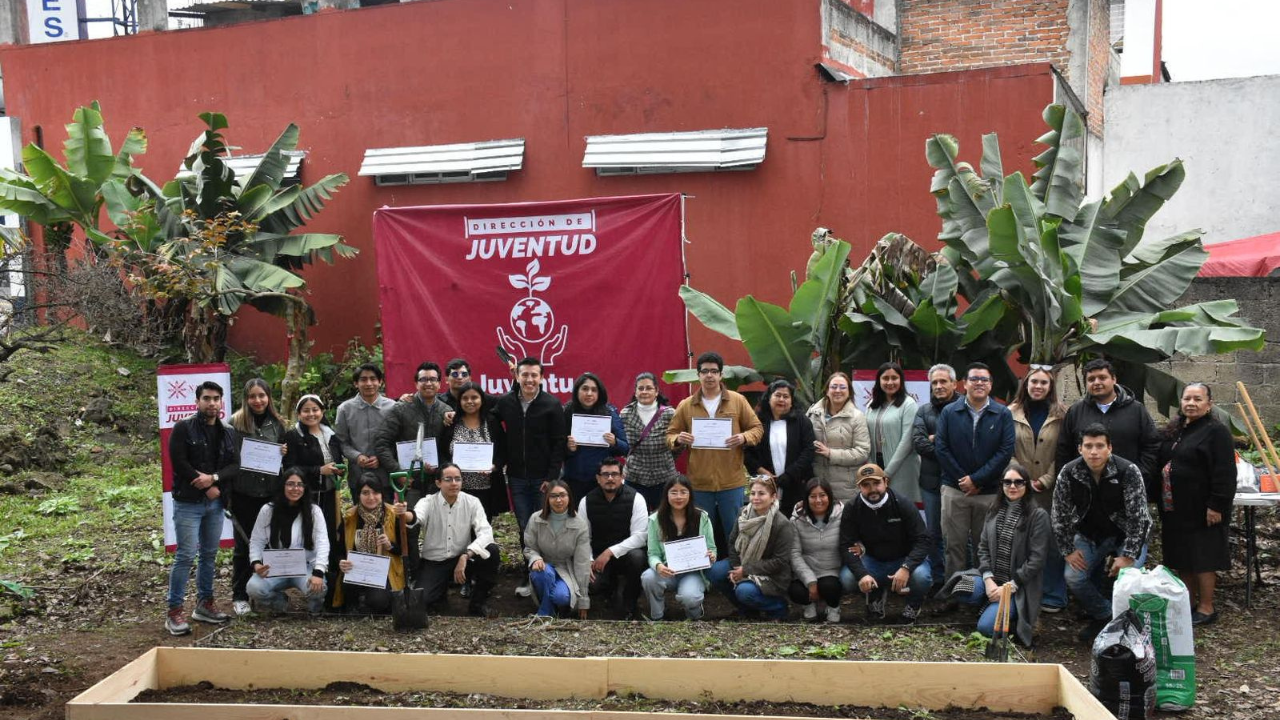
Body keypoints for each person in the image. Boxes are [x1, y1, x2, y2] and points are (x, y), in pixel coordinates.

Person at [1053, 423, 1152, 642]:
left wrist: (1128, 555)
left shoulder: (1128, 470)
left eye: (1099, 446)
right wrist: (1068, 550)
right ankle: (1105, 615)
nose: (1094, 452)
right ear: (1080, 449)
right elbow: (1059, 514)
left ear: (1110, 448)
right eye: (1088, 446)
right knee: (1074, 577)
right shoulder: (1069, 472)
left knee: (1129, 577)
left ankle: (1129, 626)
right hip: (1089, 535)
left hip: (1126, 535)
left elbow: (1139, 518)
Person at [1156, 383, 1235, 626]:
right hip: (1175, 508)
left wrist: (1217, 505)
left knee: (1203, 558)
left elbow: (1225, 472)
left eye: (1197, 399)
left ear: (1209, 404)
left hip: (1203, 509)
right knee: (1181, 557)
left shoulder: (1216, 432)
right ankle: (1188, 603)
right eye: (1187, 398)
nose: (1191, 403)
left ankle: (1206, 607)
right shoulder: (1176, 429)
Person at [667, 351, 764, 545]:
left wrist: (743, 437)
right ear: (698, 375)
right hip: (699, 482)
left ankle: (735, 564)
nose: (709, 375)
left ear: (721, 375)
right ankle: (705, 565)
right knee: (701, 533)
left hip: (731, 481)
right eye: (704, 371)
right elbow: (670, 434)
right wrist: (678, 439)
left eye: (714, 371)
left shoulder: (737, 401)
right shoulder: (686, 405)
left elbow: (757, 428)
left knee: (735, 532)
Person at [949, 463, 1051, 647]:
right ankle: (990, 602)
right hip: (992, 579)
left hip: (1018, 586)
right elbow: (982, 548)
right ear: (1001, 485)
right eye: (1007, 482)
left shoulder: (1038, 515)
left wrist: (1008, 588)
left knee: (986, 628)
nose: (1012, 486)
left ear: (1026, 485)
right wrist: (988, 580)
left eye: (1018, 482)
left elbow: (1037, 560)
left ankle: (1017, 616)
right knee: (961, 590)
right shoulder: (994, 509)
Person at [166, 380, 238, 635]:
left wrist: (214, 479)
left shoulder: (228, 431)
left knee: (209, 554)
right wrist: (205, 485)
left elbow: (234, 465)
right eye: (206, 398)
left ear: (221, 402)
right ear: (197, 401)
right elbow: (179, 462)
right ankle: (174, 611)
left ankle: (204, 604)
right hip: (188, 502)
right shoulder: (183, 428)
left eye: (216, 399)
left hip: (215, 504)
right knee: (186, 555)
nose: (212, 403)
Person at [935, 362, 1015, 580]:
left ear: (990, 385)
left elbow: (1005, 451)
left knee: (986, 547)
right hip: (955, 490)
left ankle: (982, 591)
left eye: (984, 379)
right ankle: (954, 591)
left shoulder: (1002, 414)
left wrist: (977, 480)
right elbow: (941, 448)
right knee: (954, 546)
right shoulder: (949, 412)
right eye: (974, 379)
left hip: (988, 492)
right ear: (964, 384)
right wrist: (964, 480)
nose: (979, 383)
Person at [496, 357, 567, 598]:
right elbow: (488, 418)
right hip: (516, 477)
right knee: (525, 527)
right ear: (517, 376)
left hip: (542, 479)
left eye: (534, 375)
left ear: (542, 378)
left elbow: (559, 443)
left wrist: (552, 477)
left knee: (545, 525)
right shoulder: (506, 402)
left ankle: (549, 573)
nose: (529, 379)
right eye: (524, 375)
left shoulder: (552, 404)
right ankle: (529, 573)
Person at [401, 464, 501, 617]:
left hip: (463, 559)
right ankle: (439, 596)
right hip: (435, 561)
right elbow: (415, 517)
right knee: (422, 600)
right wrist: (404, 514)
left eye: (457, 479)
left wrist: (466, 555)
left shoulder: (472, 502)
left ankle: (477, 603)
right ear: (438, 483)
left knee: (491, 551)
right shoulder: (428, 502)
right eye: (448, 479)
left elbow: (486, 533)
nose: (454, 483)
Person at [1007, 365, 1067, 614]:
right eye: (1034, 382)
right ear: (1026, 384)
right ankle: (1021, 591)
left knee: (1051, 542)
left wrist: (1046, 479)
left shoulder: (1062, 414)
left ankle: (1053, 593)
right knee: (1019, 542)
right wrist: (1020, 479)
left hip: (1049, 490)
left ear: (1050, 387)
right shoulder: (1010, 413)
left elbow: (1064, 450)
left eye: (1044, 383)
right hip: (1017, 488)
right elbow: (1006, 448)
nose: (1038, 386)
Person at [840, 464, 932, 624]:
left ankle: (913, 605)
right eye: (866, 485)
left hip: (904, 559)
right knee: (847, 578)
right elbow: (845, 545)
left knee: (922, 577)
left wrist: (907, 567)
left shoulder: (902, 503)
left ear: (886, 482)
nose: (872, 489)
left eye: (876, 483)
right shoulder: (852, 508)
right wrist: (862, 574)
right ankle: (874, 595)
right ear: (859, 487)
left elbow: (923, 539)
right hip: (872, 560)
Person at [227, 378, 287, 617]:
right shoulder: (234, 423)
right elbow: (226, 458)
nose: (257, 400)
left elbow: (285, 460)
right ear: (246, 398)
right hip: (243, 493)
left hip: (270, 494)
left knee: (270, 543)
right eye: (252, 396)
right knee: (243, 546)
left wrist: (284, 452)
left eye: (261, 395)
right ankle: (240, 596)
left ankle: (266, 592)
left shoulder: (278, 424)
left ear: (268, 397)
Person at [1055, 358, 1160, 491]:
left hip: (1127, 488)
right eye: (1091, 379)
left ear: (1114, 379)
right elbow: (1064, 449)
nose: (1096, 382)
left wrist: (1140, 475)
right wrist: (1070, 482)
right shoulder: (1075, 412)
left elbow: (1151, 445)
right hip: (1085, 489)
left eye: (1102, 378)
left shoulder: (1136, 410)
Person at [283, 394, 344, 608]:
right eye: (306, 410)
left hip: (330, 495)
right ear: (299, 414)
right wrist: (319, 470)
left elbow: (337, 461)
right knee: (309, 538)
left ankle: (333, 593)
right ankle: (310, 585)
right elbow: (290, 468)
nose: (311, 414)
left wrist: (338, 471)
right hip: (305, 497)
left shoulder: (330, 434)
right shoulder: (293, 436)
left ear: (322, 412)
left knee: (332, 538)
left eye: (315, 409)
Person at [708, 476, 796, 620]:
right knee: (715, 571)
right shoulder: (743, 513)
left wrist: (745, 571)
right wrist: (737, 568)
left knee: (744, 591)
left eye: (761, 494)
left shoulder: (782, 524)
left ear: (773, 497)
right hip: (743, 563)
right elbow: (732, 542)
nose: (756, 498)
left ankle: (778, 607)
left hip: (771, 574)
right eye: (753, 493)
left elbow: (780, 561)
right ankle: (747, 609)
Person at [247, 467, 330, 615]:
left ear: (305, 488)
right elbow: (256, 540)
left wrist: (318, 572)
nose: (295, 489)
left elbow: (323, 542)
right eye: (290, 484)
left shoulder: (314, 511)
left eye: (299, 485)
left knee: (319, 588)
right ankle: (279, 601)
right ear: (282, 486)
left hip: (305, 567)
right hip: (275, 567)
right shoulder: (268, 510)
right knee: (254, 588)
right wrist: (256, 562)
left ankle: (315, 605)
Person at [577, 458, 648, 619]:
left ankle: (630, 603)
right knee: (593, 584)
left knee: (637, 557)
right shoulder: (586, 501)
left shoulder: (636, 498)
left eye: (615, 474)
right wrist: (588, 560)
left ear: (622, 476)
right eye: (605, 474)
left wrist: (610, 552)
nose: (610, 478)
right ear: (598, 478)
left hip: (626, 555)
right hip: (598, 557)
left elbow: (640, 537)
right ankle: (610, 592)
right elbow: (583, 537)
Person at [640, 476, 718, 621]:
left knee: (690, 597)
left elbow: (712, 548)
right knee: (648, 577)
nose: (679, 497)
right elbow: (653, 553)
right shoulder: (655, 520)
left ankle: (694, 614)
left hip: (693, 573)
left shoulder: (702, 517)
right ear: (666, 495)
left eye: (683, 492)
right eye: (674, 492)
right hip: (667, 571)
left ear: (690, 494)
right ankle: (658, 616)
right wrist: (658, 566)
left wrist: (711, 555)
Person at [373, 361, 452, 506]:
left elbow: (449, 447)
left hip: (438, 482)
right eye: (423, 379)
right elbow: (381, 443)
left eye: (433, 379)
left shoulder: (446, 411)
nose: (428, 383)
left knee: (438, 520)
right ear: (416, 384)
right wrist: (399, 473)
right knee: (410, 519)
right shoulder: (401, 409)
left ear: (439, 384)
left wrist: (441, 468)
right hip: (410, 482)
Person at [911, 363, 959, 594]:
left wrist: (936, 439)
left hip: (959, 482)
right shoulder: (924, 411)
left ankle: (961, 580)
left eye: (943, 381)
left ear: (954, 384)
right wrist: (946, 444)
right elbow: (919, 443)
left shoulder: (964, 408)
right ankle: (939, 579)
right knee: (933, 534)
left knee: (960, 535)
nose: (938, 386)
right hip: (931, 484)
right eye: (934, 383)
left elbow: (965, 442)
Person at [334, 474, 407, 614]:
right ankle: (359, 601)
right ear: (358, 495)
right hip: (356, 570)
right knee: (346, 591)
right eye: (365, 493)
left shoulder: (393, 515)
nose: (371, 497)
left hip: (385, 572)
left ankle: (371, 601)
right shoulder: (349, 517)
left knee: (378, 601)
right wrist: (341, 562)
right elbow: (338, 550)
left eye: (375, 492)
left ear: (382, 494)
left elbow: (404, 550)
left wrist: (390, 545)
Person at [523, 479, 592, 618]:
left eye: (562, 495)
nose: (558, 500)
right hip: (543, 566)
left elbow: (582, 562)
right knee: (543, 573)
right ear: (547, 499)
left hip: (566, 569)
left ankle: (549, 608)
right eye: (553, 496)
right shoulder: (536, 518)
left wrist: (584, 600)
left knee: (561, 597)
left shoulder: (580, 524)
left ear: (569, 497)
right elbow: (529, 547)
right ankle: (546, 612)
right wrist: (535, 558)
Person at [744, 378, 815, 513]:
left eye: (786, 396)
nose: (781, 399)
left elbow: (809, 450)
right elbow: (747, 453)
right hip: (765, 484)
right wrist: (763, 472)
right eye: (777, 395)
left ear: (792, 401)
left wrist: (788, 475)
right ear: (769, 398)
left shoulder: (802, 421)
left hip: (796, 483)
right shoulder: (758, 422)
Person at [439, 381, 507, 520]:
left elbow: (504, 450)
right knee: (457, 529)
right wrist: (448, 470)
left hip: (486, 490)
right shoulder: (451, 423)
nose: (470, 401)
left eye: (474, 397)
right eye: (465, 398)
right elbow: (441, 451)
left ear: (482, 399)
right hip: (455, 489)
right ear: (459, 401)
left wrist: (494, 466)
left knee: (481, 528)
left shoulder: (492, 422)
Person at [788, 478, 851, 623]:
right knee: (796, 591)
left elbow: (854, 538)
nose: (818, 500)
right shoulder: (796, 520)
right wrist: (810, 582)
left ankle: (833, 607)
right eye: (813, 496)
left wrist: (860, 547)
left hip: (831, 570)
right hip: (806, 569)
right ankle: (808, 605)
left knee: (830, 587)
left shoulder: (842, 515)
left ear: (829, 496)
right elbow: (794, 553)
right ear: (806, 498)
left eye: (822, 495)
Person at [563, 372, 630, 503]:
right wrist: (569, 448)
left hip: (602, 481)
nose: (589, 393)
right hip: (574, 480)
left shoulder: (609, 412)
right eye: (585, 389)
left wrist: (615, 442)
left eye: (594, 390)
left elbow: (625, 448)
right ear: (577, 391)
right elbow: (556, 450)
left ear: (599, 393)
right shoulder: (566, 412)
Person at [806, 372, 870, 503]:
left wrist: (830, 453)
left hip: (846, 486)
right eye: (834, 387)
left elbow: (863, 452)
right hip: (817, 483)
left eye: (842, 387)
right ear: (827, 390)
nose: (838, 390)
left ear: (849, 392)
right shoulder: (813, 413)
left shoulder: (857, 417)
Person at [619, 372, 679, 510]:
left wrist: (666, 459)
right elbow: (623, 445)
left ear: (656, 391)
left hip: (664, 477)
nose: (644, 392)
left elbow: (678, 445)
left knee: (664, 518)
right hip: (634, 478)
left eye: (649, 388)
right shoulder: (625, 414)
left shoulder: (669, 414)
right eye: (640, 388)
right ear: (635, 392)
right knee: (636, 517)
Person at [334, 363, 396, 495]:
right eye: (363, 379)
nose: (369, 383)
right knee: (359, 508)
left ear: (380, 382)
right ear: (356, 383)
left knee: (387, 508)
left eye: (373, 379)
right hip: (358, 476)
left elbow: (398, 439)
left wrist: (382, 458)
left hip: (385, 476)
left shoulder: (393, 407)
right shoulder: (344, 409)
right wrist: (357, 456)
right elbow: (341, 441)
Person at [865, 362, 921, 502]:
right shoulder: (871, 404)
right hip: (876, 464)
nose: (890, 382)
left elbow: (907, 441)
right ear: (879, 381)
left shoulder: (909, 404)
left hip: (901, 467)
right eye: (885, 378)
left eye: (894, 378)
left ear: (901, 380)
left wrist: (888, 473)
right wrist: (872, 467)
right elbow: (865, 436)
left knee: (900, 506)